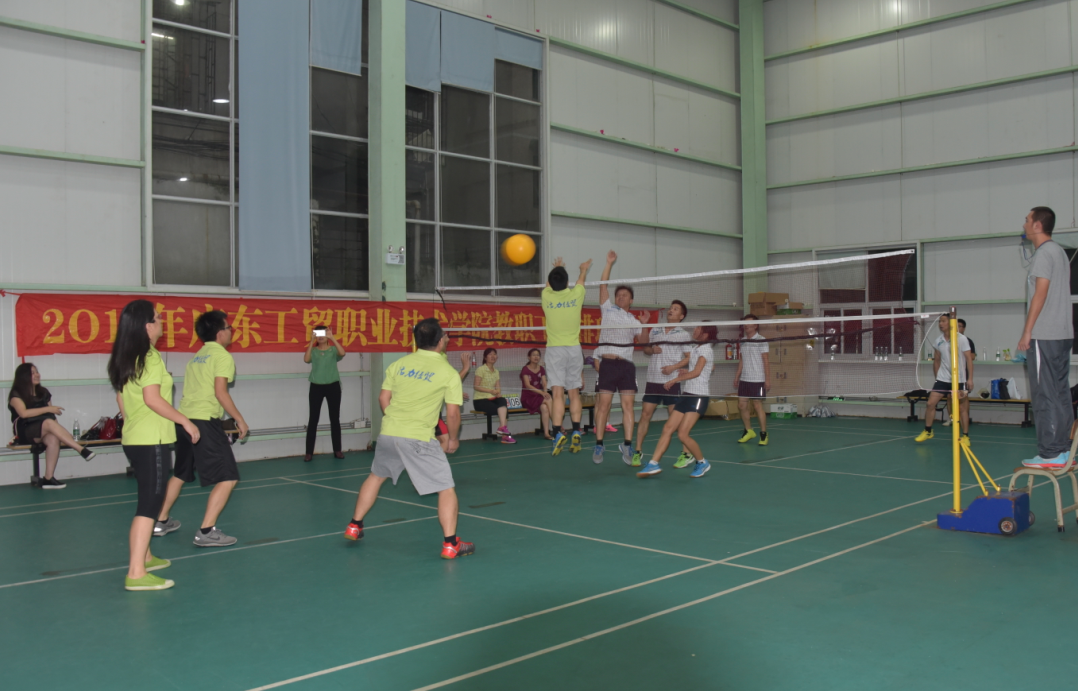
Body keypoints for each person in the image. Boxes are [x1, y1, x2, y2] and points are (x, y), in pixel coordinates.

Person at [344, 318, 474, 559]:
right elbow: (453, 414)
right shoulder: (448, 372)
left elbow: (383, 399)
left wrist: (396, 421)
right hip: (419, 438)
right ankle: (450, 544)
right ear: (439, 341)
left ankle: (354, 525)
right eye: (445, 336)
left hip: (389, 432)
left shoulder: (399, 364)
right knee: (446, 488)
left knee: (376, 476)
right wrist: (454, 439)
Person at [108, 299, 201, 591]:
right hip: (151, 440)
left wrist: (133, 422)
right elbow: (152, 399)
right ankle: (136, 573)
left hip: (135, 438)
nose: (162, 322)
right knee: (150, 505)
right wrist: (185, 422)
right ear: (147, 326)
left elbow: (121, 397)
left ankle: (145, 557)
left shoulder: (126, 356)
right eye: (158, 318)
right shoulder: (149, 357)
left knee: (147, 499)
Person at [152, 310, 249, 546]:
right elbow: (220, 393)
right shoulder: (222, 356)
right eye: (228, 328)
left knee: (181, 473)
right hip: (204, 422)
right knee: (228, 477)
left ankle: (160, 521)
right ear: (219, 333)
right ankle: (206, 531)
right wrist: (239, 419)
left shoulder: (196, 357)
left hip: (184, 421)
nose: (231, 331)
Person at [1018, 206, 1074, 468]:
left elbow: (1040, 293)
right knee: (1060, 393)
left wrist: (1027, 331)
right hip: (1063, 334)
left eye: (1027, 220)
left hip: (1045, 334)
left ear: (1037, 225)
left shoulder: (1043, 253)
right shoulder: (1060, 252)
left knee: (1044, 395)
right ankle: (1064, 451)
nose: (1024, 224)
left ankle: (1050, 453)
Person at [638, 324, 717, 479]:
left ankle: (702, 462)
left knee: (682, 434)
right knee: (668, 428)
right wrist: (686, 371)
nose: (695, 330)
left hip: (698, 397)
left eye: (698, 329)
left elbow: (697, 372)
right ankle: (654, 463)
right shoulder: (696, 348)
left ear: (706, 334)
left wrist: (676, 379)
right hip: (687, 395)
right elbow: (704, 368)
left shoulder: (706, 350)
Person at [593, 250, 649, 464]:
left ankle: (627, 445)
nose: (620, 297)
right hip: (607, 364)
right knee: (604, 405)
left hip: (626, 367)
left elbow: (643, 342)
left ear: (631, 300)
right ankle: (599, 444)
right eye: (619, 295)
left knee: (628, 406)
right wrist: (608, 263)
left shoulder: (634, 320)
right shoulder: (607, 310)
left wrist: (645, 325)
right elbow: (603, 286)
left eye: (625, 295)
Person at [8, 363, 96, 488]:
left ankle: (48, 478)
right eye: (32, 373)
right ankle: (80, 449)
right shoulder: (16, 394)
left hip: (44, 428)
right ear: (24, 376)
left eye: (37, 372)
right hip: (25, 430)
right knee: (48, 422)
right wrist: (48, 409)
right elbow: (24, 413)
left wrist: (62, 434)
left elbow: (51, 417)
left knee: (53, 437)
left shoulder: (43, 392)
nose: (37, 375)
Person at [631, 300, 693, 468]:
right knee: (645, 415)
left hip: (670, 382)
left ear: (681, 316)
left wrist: (673, 367)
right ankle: (637, 451)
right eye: (671, 308)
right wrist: (651, 349)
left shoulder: (683, 334)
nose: (671, 310)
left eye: (675, 309)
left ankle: (686, 453)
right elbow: (645, 348)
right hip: (653, 380)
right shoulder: (656, 329)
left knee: (676, 418)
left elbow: (689, 357)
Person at [543, 257, 592, 455]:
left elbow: (548, 284)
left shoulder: (546, 296)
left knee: (557, 393)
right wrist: (583, 269)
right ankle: (577, 430)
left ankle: (557, 433)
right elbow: (580, 281)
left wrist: (557, 267)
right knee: (574, 392)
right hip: (574, 349)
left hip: (555, 350)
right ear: (567, 282)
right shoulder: (576, 295)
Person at [914, 314, 973, 443]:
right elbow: (937, 360)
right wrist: (937, 378)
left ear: (951, 323)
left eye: (943, 321)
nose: (941, 324)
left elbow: (969, 359)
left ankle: (965, 436)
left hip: (959, 379)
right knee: (930, 404)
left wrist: (970, 379)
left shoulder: (961, 339)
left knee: (962, 408)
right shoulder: (938, 340)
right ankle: (928, 431)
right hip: (942, 379)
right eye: (940, 321)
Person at [303, 325, 346, 462]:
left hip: (333, 387)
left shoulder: (333, 350)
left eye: (323, 333)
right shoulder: (314, 351)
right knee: (313, 419)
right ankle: (309, 452)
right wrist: (311, 341)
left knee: (335, 419)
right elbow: (306, 359)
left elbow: (342, 353)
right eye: (318, 334)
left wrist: (332, 337)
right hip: (316, 387)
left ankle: (337, 450)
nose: (321, 336)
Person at [734, 314, 770, 445]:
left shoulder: (761, 340)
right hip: (745, 378)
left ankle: (763, 434)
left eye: (749, 323)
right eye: (745, 323)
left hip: (758, 378)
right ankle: (749, 431)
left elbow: (766, 360)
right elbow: (742, 360)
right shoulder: (743, 340)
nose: (746, 325)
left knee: (757, 405)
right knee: (741, 405)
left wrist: (767, 379)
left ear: (755, 325)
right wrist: (737, 376)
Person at [472, 348, 516, 444]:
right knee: (503, 411)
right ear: (485, 357)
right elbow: (476, 386)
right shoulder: (481, 369)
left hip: (492, 399)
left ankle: (502, 428)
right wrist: (491, 391)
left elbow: (498, 387)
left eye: (494, 354)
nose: (493, 356)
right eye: (490, 354)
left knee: (502, 401)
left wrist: (498, 392)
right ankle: (505, 436)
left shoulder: (496, 371)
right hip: (480, 400)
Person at [435, 352, 471, 452]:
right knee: (445, 441)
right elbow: (452, 414)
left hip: (431, 414)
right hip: (431, 414)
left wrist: (454, 392)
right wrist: (465, 369)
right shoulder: (438, 357)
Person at [943, 319, 976, 427]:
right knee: (949, 396)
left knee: (963, 398)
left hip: (962, 374)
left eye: (960, 326)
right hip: (949, 374)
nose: (957, 328)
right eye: (955, 326)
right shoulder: (947, 340)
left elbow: (972, 356)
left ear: (964, 328)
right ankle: (952, 418)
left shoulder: (967, 340)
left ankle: (964, 418)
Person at [520, 348, 554, 439]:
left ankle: (546, 433)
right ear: (529, 357)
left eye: (538, 355)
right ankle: (557, 425)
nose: (536, 357)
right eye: (534, 355)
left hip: (539, 396)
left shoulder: (541, 369)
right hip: (528, 397)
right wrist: (542, 393)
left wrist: (545, 392)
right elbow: (527, 385)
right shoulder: (525, 369)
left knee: (544, 408)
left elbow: (544, 383)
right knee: (549, 399)